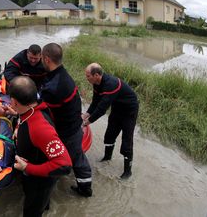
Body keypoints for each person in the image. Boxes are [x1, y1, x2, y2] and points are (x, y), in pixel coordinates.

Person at [8, 76, 72, 217]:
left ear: (13, 101)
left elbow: (64, 165)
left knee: (32, 211)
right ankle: (46, 206)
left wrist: (28, 168)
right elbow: (26, 118)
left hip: (39, 180)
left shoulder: (39, 127)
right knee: (39, 202)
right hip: (34, 166)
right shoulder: (32, 106)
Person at [40, 43, 93, 197]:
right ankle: (85, 189)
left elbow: (42, 111)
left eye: (42, 59)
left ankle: (47, 198)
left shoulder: (53, 87)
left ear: (47, 59)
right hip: (75, 126)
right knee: (79, 160)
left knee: (56, 162)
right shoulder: (62, 75)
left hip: (65, 132)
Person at [82, 63, 139, 179]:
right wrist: (86, 115)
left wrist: (86, 122)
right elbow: (95, 102)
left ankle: (128, 172)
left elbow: (102, 109)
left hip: (129, 112)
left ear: (96, 75)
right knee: (109, 135)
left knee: (126, 142)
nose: (86, 78)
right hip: (117, 109)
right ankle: (107, 158)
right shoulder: (97, 84)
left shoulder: (111, 84)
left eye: (88, 76)